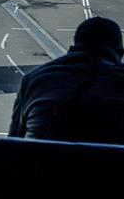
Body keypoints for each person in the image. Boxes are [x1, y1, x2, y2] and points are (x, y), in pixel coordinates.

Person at [9, 16, 124, 144]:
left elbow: (13, 144)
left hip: (42, 161)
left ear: (73, 46)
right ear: (120, 53)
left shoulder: (35, 79)